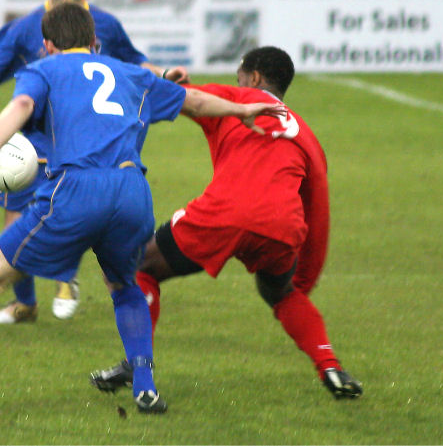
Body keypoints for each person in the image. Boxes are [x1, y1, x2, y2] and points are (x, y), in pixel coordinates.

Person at [0, 2, 286, 423]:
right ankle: (146, 388)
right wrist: (242, 109)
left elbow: (22, 106)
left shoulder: (43, 70)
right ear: (95, 42)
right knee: (123, 283)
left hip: (77, 190)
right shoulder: (130, 72)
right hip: (132, 192)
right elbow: (192, 101)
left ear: (47, 45)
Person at [89, 46, 363, 402]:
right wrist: (304, 279)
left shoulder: (237, 98)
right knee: (279, 293)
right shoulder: (307, 136)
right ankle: (329, 365)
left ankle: (136, 364)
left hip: (225, 213)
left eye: (239, 75)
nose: (237, 82)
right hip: (281, 225)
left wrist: (167, 81)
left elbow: (193, 100)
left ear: (255, 78)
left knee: (139, 266)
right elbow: (319, 210)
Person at [0, 0, 187, 326]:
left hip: (80, 144)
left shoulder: (105, 24)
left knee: (71, 215)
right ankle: (24, 306)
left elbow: (137, 64)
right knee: (14, 227)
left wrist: (163, 74)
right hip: (34, 146)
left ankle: (64, 280)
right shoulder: (26, 26)